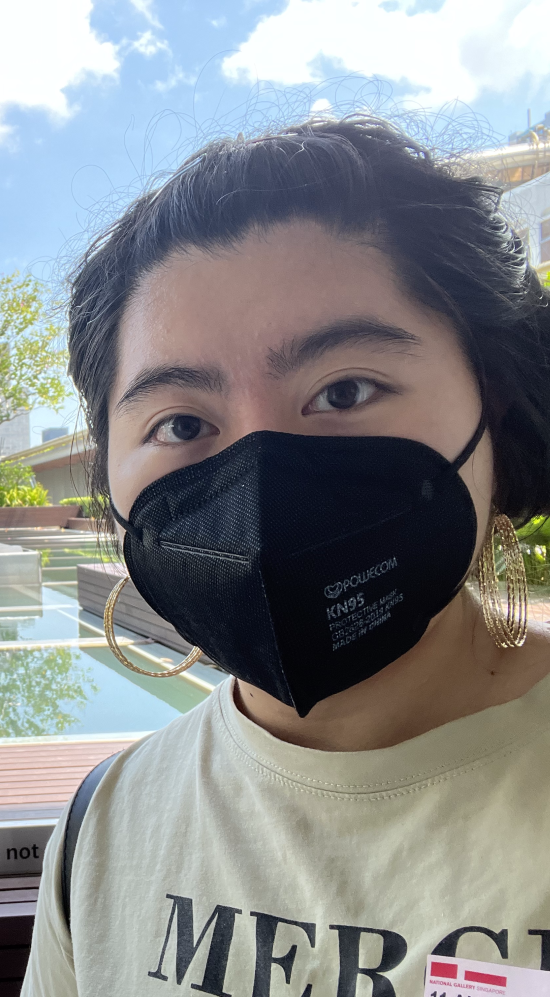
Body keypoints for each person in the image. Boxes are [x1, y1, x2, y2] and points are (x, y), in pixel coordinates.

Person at [22, 115, 550, 997]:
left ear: (499, 409)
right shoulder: (102, 827)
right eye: (181, 423)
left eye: (344, 389)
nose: (263, 479)